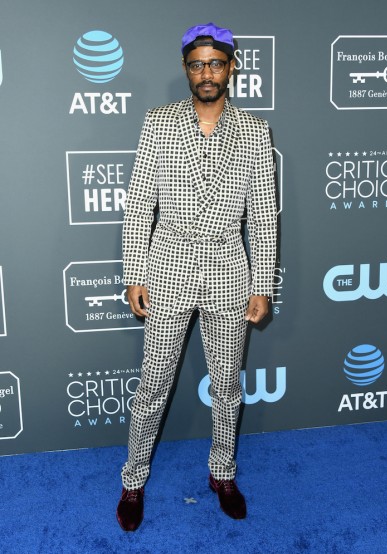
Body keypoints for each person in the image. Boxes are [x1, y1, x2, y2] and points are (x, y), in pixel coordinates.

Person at [117, 22, 277, 532]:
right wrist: (134, 272)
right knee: (153, 385)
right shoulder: (158, 122)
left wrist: (263, 284)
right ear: (186, 70)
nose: (206, 73)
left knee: (227, 385)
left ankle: (222, 473)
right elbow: (140, 202)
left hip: (230, 268)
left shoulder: (255, 130)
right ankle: (133, 479)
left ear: (232, 67)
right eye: (196, 64)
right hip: (167, 267)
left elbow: (265, 215)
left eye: (215, 63)